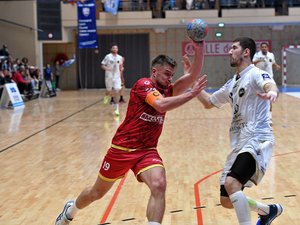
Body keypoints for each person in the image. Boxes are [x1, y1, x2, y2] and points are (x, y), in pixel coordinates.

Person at [55, 40, 206, 225]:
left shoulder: (167, 88)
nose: (170, 78)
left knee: (159, 185)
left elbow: (192, 77)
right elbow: (160, 105)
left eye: (172, 75)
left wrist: (199, 49)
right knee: (96, 193)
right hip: (122, 149)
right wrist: (191, 94)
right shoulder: (144, 84)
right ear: (154, 71)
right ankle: (70, 211)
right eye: (167, 74)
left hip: (147, 150)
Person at [197, 37, 282, 225]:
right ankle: (268, 211)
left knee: (231, 184)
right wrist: (193, 86)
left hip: (257, 139)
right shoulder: (232, 83)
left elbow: (269, 84)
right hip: (240, 144)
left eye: (234, 48)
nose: (229, 51)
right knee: (226, 200)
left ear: (246, 52)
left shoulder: (255, 73)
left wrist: (272, 92)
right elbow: (209, 103)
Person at [253, 42, 281, 124]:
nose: (264, 48)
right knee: (258, 98)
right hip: (259, 79)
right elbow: (252, 63)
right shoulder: (257, 55)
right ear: (260, 48)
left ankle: (269, 118)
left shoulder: (271, 55)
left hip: (269, 79)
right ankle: (257, 117)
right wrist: (259, 60)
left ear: (267, 48)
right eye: (263, 47)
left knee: (269, 99)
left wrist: (276, 65)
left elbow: (272, 62)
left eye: (265, 47)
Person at [101, 44, 125, 116]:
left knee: (117, 91)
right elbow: (102, 65)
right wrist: (107, 68)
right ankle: (106, 95)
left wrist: (121, 71)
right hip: (109, 76)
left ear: (117, 50)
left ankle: (117, 109)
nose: (115, 49)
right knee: (109, 90)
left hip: (116, 77)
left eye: (116, 48)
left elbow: (121, 66)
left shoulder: (120, 57)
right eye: (113, 48)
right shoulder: (108, 56)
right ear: (111, 49)